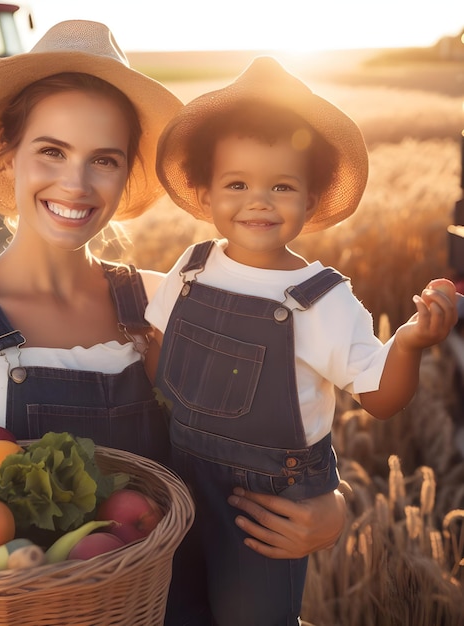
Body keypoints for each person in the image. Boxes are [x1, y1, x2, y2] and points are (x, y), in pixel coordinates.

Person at [0, 25, 347, 625]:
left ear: (128, 171)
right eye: (51, 151)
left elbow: (260, 444)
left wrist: (329, 506)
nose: (75, 185)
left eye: (104, 160)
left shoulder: (170, 304)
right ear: (9, 153)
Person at [145, 56, 458, 626]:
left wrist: (409, 343)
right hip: (179, 482)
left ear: (310, 201)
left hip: (268, 510)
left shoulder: (321, 298)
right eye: (236, 184)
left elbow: (380, 400)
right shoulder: (189, 269)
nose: (258, 200)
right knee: (173, 610)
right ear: (205, 191)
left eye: (281, 186)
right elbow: (159, 358)